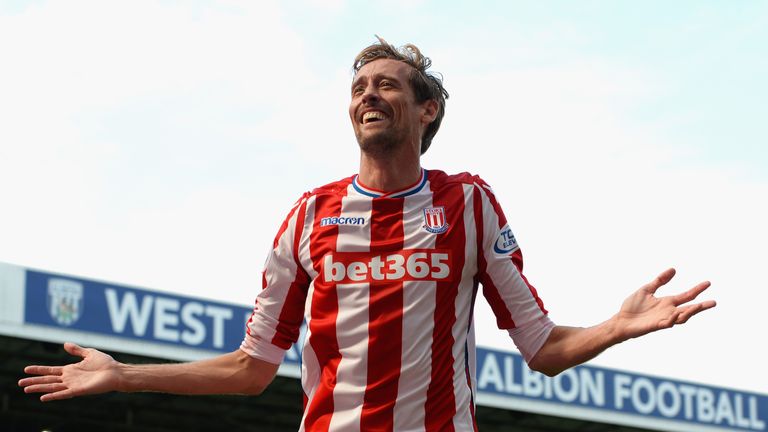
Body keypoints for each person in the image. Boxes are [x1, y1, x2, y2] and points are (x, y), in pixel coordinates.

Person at [19, 37, 716, 431]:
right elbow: (251, 368)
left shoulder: (469, 205)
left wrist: (617, 328)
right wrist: (122, 374)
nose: (368, 95)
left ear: (427, 110)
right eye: (359, 88)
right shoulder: (306, 218)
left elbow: (542, 348)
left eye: (387, 85)